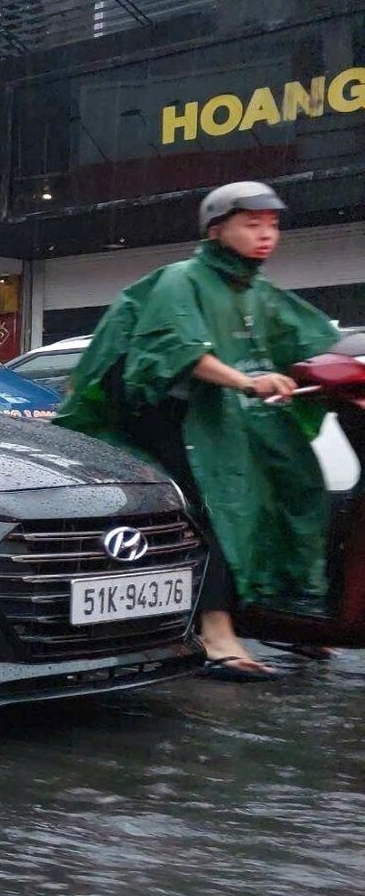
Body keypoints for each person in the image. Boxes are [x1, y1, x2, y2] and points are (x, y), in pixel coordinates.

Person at [55, 181, 337, 681]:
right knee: (219, 505)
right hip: (159, 422)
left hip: (226, 421)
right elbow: (175, 350)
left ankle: (282, 613)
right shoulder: (180, 279)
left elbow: (314, 342)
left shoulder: (257, 291)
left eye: (272, 225)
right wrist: (247, 381)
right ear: (216, 228)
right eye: (252, 224)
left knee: (299, 483)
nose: (266, 234)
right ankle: (215, 630)